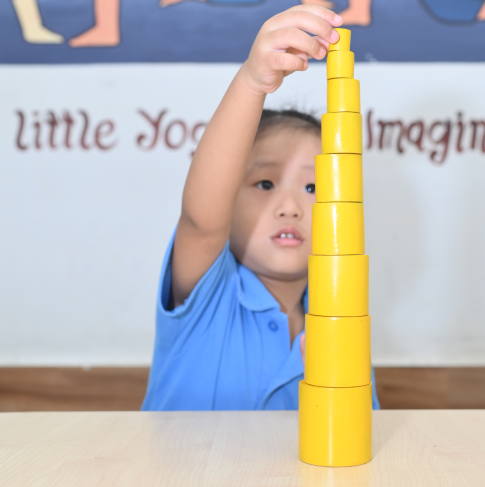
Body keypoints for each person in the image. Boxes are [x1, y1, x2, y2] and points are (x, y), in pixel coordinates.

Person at [142, 5, 380, 411]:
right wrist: (253, 82)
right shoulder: (210, 298)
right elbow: (201, 220)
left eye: (313, 187)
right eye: (265, 184)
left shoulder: (343, 323)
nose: (290, 208)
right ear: (228, 199)